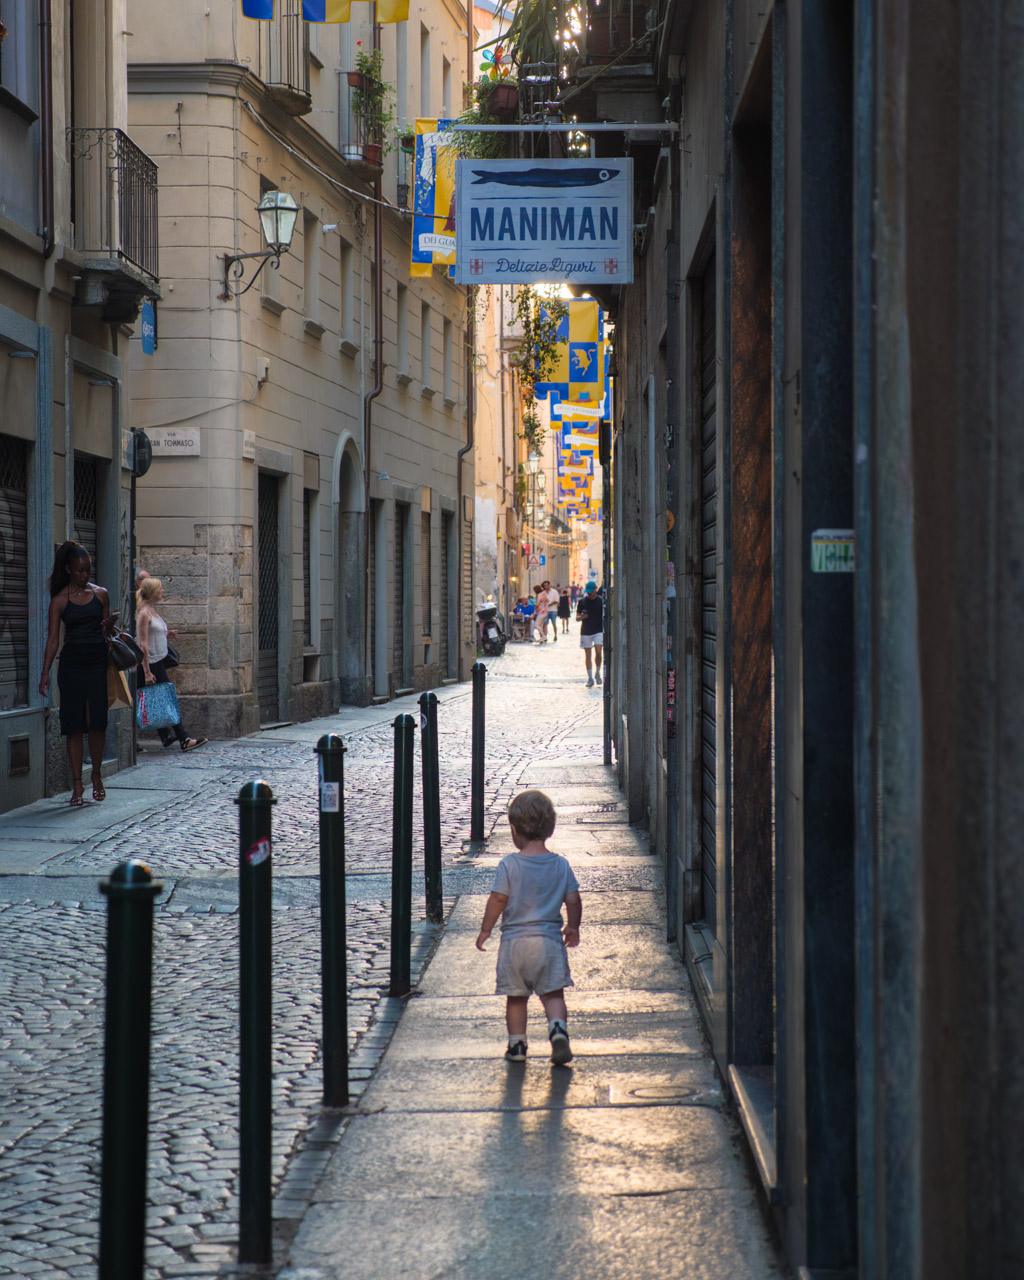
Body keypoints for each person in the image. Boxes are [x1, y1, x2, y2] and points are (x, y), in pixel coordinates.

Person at [475, 790, 582, 1065]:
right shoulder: (560, 865)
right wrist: (573, 927)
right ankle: (558, 1029)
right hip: (548, 943)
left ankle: (517, 1045)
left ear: (514, 830)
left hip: (515, 945)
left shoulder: (509, 865)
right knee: (553, 994)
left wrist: (486, 928)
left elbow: (498, 898)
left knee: (516, 998)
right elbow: (573, 899)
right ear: (550, 827)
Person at [39, 541, 118, 806]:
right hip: (71, 665)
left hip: (97, 663)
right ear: (69, 570)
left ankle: (96, 773)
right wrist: (45, 674)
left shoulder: (101, 595)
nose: (85, 575)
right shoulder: (59, 601)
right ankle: (76, 784)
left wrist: (109, 627)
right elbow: (53, 640)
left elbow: (107, 635)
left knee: (97, 722)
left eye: (88, 570)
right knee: (73, 725)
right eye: (80, 571)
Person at [136, 577, 207, 752]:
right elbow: (142, 643)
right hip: (151, 663)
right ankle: (183, 739)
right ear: (152, 592)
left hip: (158, 660)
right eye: (160, 589)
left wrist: (168, 634)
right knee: (164, 699)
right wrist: (146, 671)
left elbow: (154, 634)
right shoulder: (143, 613)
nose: (163, 592)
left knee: (154, 699)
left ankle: (166, 736)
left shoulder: (152, 610)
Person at [576, 580, 604, 687]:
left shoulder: (601, 601)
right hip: (586, 631)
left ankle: (597, 673)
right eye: (588, 591)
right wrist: (582, 617)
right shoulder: (582, 602)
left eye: (591, 591)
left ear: (595, 590)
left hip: (598, 630)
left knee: (598, 652)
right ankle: (590, 678)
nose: (589, 593)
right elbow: (577, 618)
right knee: (588, 655)